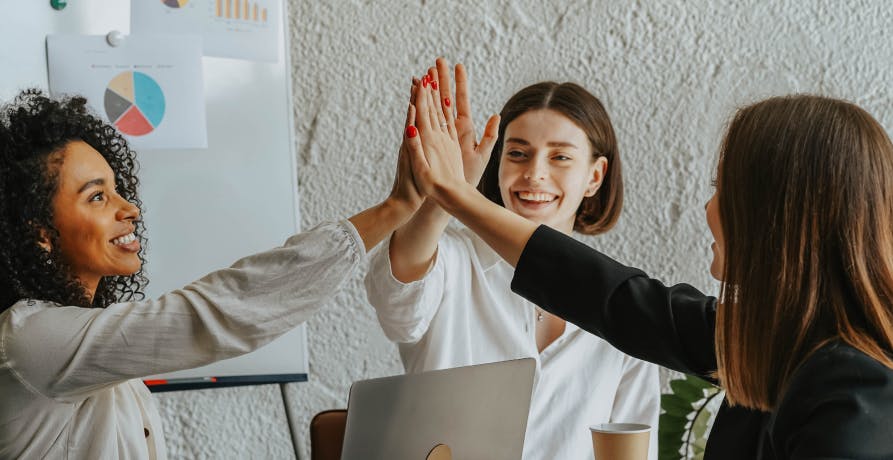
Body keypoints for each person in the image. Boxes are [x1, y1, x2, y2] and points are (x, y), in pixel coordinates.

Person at [406, 73, 893, 458]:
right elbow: (614, 297)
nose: (707, 210)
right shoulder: (772, 336)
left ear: (780, 219)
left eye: (723, 190)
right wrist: (454, 196)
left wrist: (457, 194)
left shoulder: (853, 390)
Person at [0, 89, 422, 459]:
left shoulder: (82, 348)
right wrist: (394, 209)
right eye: (97, 196)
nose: (129, 209)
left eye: (117, 189)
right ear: (41, 235)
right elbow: (218, 312)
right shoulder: (32, 340)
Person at [366, 59, 660, 460]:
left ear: (595, 175)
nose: (534, 174)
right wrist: (445, 193)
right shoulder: (452, 260)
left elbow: (636, 447)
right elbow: (395, 304)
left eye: (560, 157)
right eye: (518, 153)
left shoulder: (623, 303)